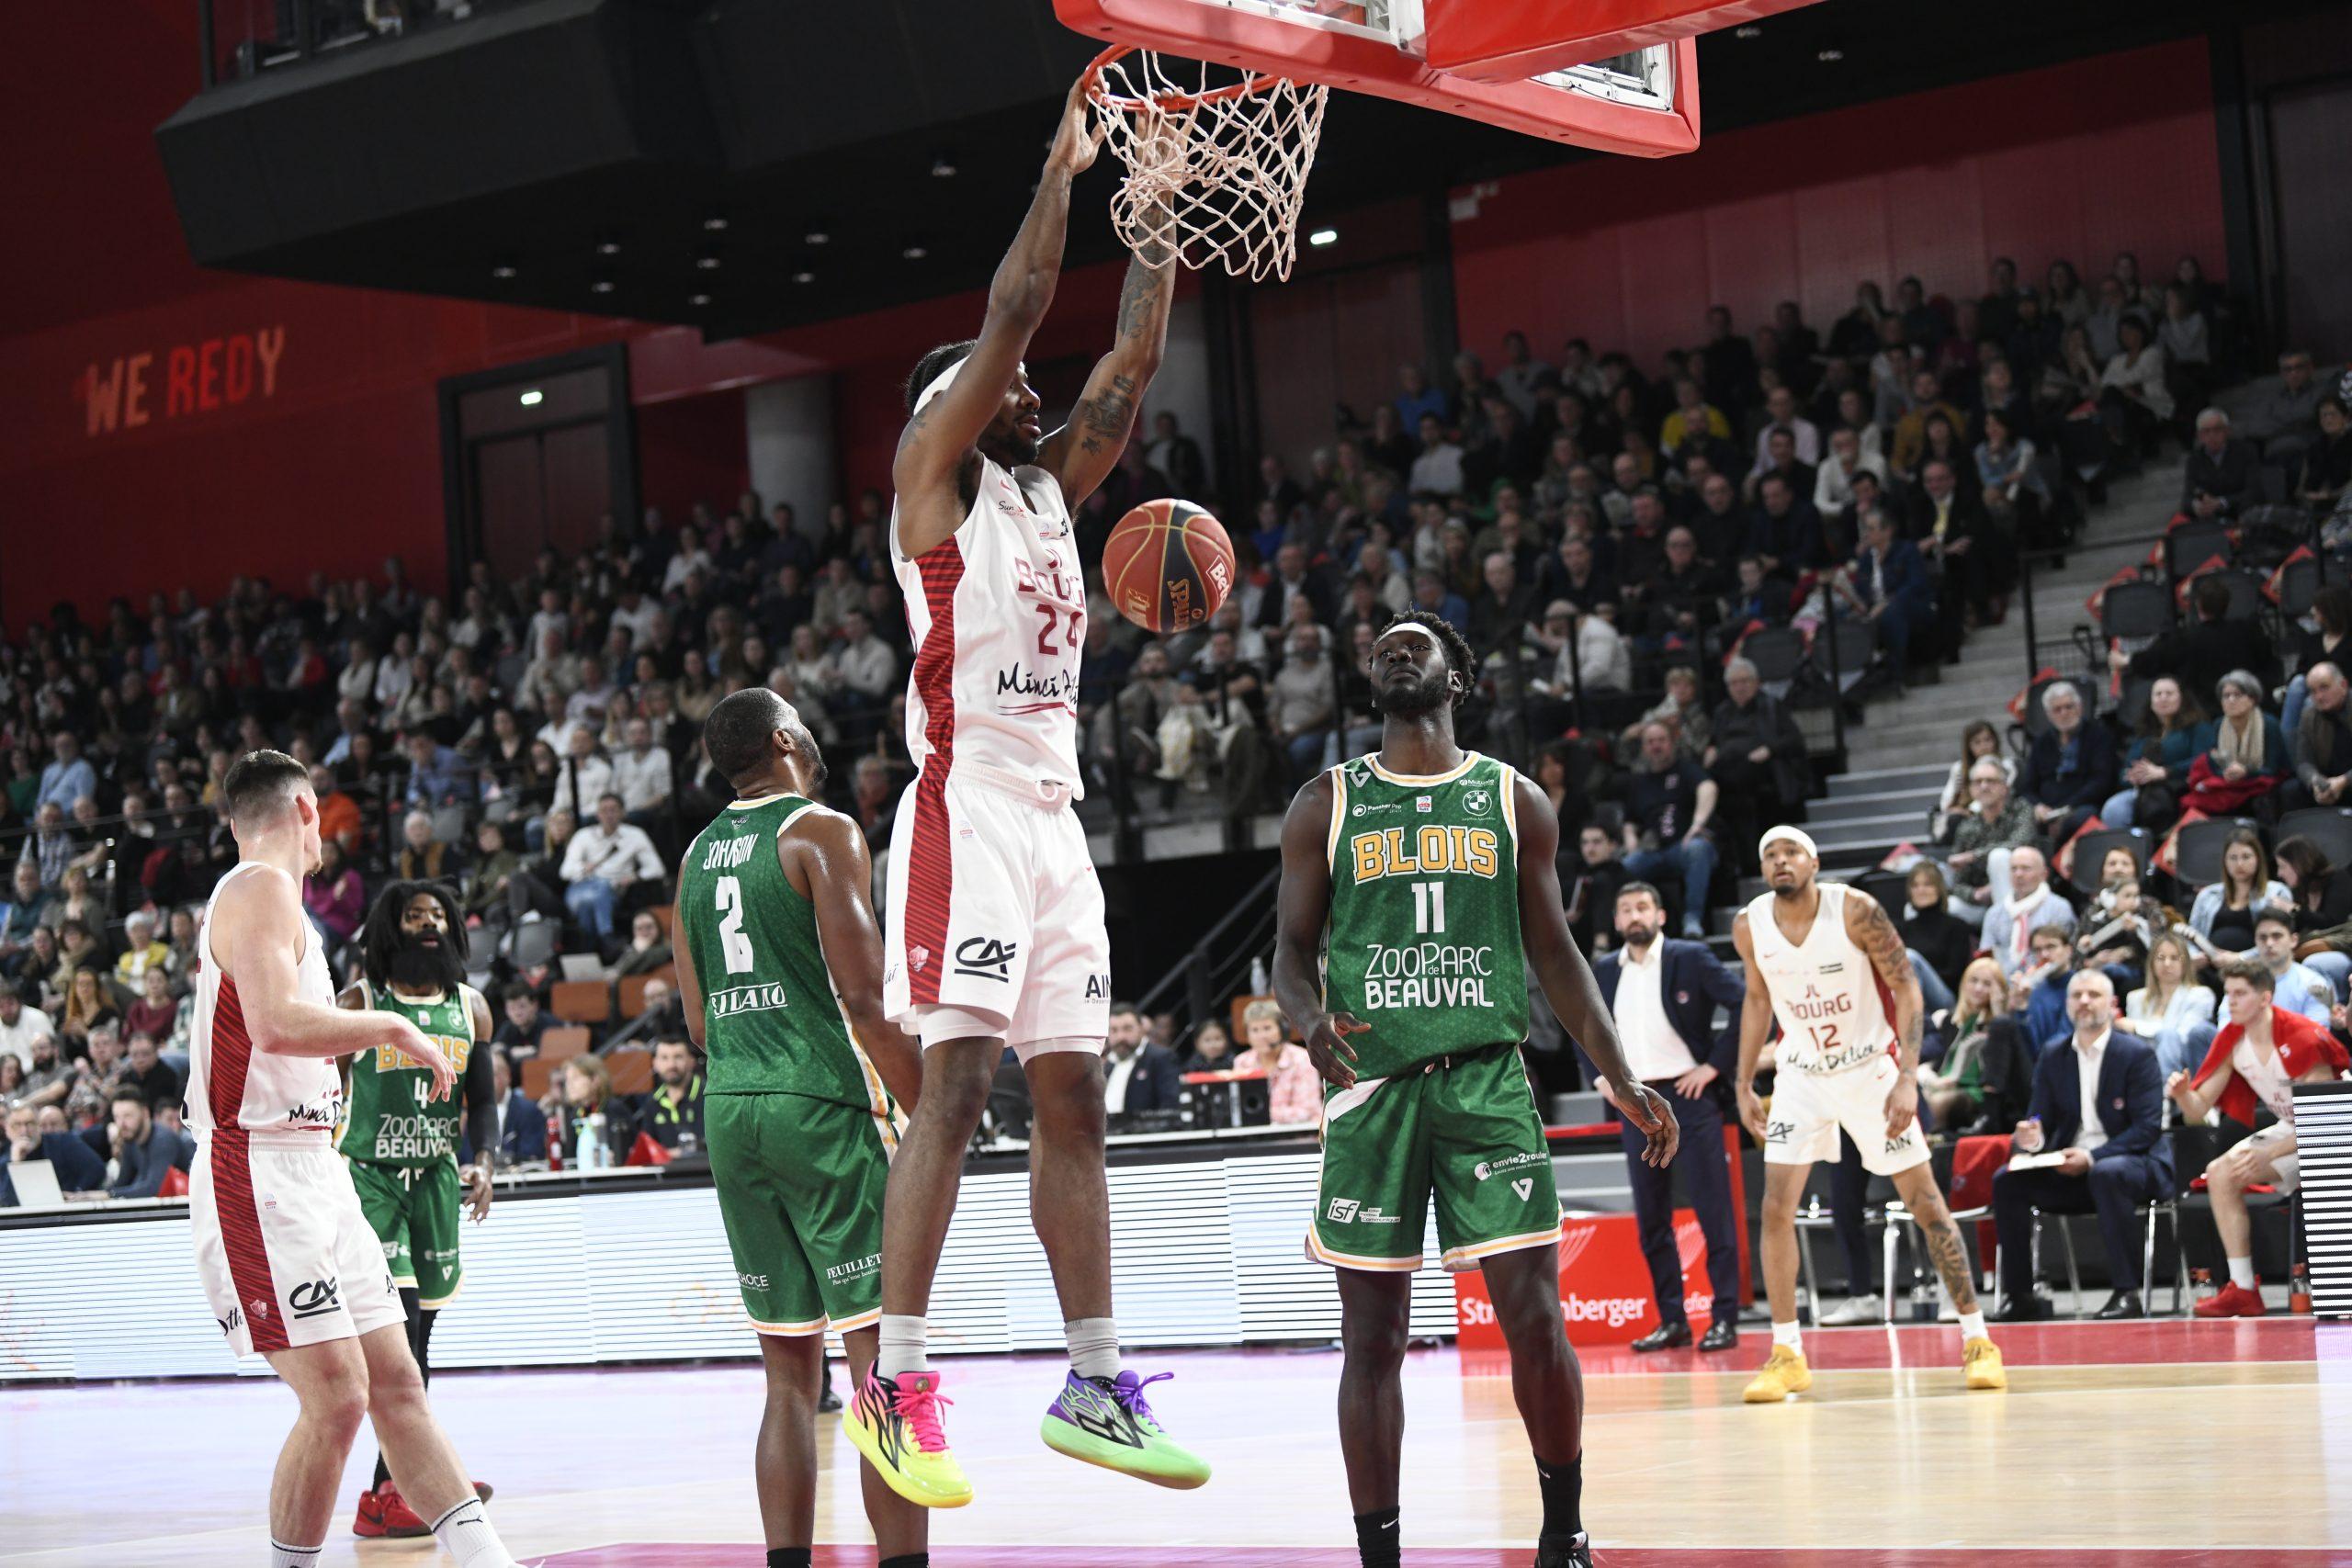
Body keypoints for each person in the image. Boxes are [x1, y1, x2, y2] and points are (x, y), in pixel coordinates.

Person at [864, 75, 1204, 1510]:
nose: (1029, 386)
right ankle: (894, 1373)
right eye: (1002, 382)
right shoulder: (928, 482)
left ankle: (1094, 1374)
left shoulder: (1052, 492)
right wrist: (1061, 176)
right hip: (965, 816)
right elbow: (1018, 309)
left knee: (1075, 1096)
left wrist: (1162, 213)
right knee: (958, 1083)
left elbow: (1128, 355)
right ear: (955, 404)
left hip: (1055, 828)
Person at [1272, 613, 1677, 1568]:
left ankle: (1563, 1529)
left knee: (1534, 1316)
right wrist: (1305, 1020)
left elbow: (1555, 953)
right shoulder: (1324, 803)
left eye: (1416, 642)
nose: (1394, 651)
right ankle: (1379, 1555)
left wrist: (1617, 1070)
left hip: (1486, 1079)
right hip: (1371, 1091)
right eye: (1381, 647)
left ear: (1458, 675)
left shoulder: (1512, 799)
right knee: (1370, 1340)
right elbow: (1289, 955)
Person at [185, 750, 516, 1568]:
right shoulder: (258, 886)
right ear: (307, 809)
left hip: (316, 1167)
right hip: (256, 1167)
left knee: (397, 1384)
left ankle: (487, 1558)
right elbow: (273, 1025)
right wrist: (393, 1028)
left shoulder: (274, 897)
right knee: (337, 1399)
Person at [671, 688, 929, 1565]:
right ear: (786, 740)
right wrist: (937, 1109)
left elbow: (699, 1027)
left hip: (729, 1110)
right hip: (818, 1106)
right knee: (878, 1364)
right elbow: (863, 998)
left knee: (787, 1379)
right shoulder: (821, 830)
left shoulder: (697, 855)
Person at [1733, 826, 2006, 1403]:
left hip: (1868, 1069)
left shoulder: (1855, 911)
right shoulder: (1749, 924)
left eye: (1791, 852)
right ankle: (1787, 1353)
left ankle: (1978, 1339)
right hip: (1802, 1075)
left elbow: (1908, 989)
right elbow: (1757, 999)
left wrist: (1907, 1076)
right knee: (1775, 1207)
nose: (1781, 862)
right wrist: (1741, 1082)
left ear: (1814, 860)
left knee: (1926, 1202)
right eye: (1770, 856)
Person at [334, 879, 500, 1537]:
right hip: (370, 1180)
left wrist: (484, 1162)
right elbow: (325, 1085)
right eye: (413, 915)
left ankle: (408, 1477)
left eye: (437, 914)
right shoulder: (361, 1001)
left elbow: (482, 1101)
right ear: (389, 928)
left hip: (434, 1178)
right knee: (399, 1336)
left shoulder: (472, 1007)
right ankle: (389, 1491)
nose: (428, 924)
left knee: (421, 1337)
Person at [1592, 883, 1745, 1355]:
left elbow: (1746, 1003)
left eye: (1642, 907)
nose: (1634, 916)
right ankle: (1673, 1320)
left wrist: (1714, 1065)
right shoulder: (1602, 970)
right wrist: (1600, 1079)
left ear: (1660, 914)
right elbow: (1579, 1022)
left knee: (1712, 1211)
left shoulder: (1690, 957)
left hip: (1687, 1093)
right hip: (1635, 1101)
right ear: (1616, 921)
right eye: (1625, 909)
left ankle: (1724, 1319)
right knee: (1651, 1220)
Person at [2169, 961, 2351, 1316]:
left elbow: (2325, 1119)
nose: (2230, 1002)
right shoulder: (2232, 1036)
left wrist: (2272, 1154)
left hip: (2336, 1131)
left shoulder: (2301, 1033)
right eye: (2228, 994)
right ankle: (2243, 1289)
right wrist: (2180, 1096)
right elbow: (2198, 1111)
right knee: (2220, 1173)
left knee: (2271, 1161)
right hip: (2294, 1126)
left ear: (2265, 997)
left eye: (2240, 994)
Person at [1991, 970, 2173, 1321]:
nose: (2085, 1002)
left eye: (2093, 995)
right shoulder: (2054, 1053)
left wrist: (2092, 1157)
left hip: (2135, 1165)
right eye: (2077, 995)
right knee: (2007, 1180)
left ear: (2112, 1004)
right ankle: (2021, 1296)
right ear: (2067, 1004)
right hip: (2073, 1168)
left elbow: (2147, 1129)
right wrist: (2033, 1138)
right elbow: (2039, 1116)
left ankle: (2127, 1292)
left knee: (2106, 1172)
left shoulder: (2137, 1054)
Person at [1618, 720, 1719, 940]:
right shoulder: (1639, 781)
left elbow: (1708, 787)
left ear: (1672, 742)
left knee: (1698, 849)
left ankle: (1692, 920)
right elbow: (1629, 820)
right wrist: (1631, 841)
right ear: (1644, 747)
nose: (1656, 746)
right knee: (1626, 866)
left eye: (1661, 740)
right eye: (1650, 742)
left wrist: (1698, 824)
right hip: (1653, 852)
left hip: (1682, 846)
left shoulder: (1687, 770)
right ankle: (1635, 928)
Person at [1918, 957, 2031, 1134]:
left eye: (1987, 984)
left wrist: (1998, 1007)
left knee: (1937, 1103)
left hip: (1976, 1093)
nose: (1979, 988)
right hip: (1943, 1085)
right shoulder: (1951, 1021)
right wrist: (1932, 1080)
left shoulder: (1999, 1024)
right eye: (1974, 981)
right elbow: (1936, 1061)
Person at [2126, 931, 2218, 1077]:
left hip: (2183, 1067)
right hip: (2142, 1066)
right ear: (2151, 963)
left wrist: (2137, 1027)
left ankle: (2164, 1096)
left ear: (2185, 963)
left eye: (2174, 958)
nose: (2167, 964)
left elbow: (2183, 1037)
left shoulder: (2201, 995)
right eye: (2160, 958)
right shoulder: (2135, 998)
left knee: (2169, 1036)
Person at [1982, 846, 2074, 981]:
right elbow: (1985, 957)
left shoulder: (2059, 908)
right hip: (2002, 983)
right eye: (2014, 869)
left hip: (2045, 981)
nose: (2019, 874)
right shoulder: (1994, 913)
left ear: (2044, 874)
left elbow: (2064, 957)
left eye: (2026, 868)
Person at [1236, 998, 1321, 1126]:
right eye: (1255, 1030)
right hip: (1257, 1136)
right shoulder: (1242, 1062)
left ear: (1282, 1030)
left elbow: (1306, 1111)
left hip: (1300, 1136)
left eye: (1267, 1028)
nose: (1261, 1036)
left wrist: (1261, 1114)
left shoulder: (1301, 1059)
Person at [104, 1085, 195, 1199]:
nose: (121, 1124)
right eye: (117, 1117)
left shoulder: (163, 1140)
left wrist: (107, 1195)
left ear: (145, 1113)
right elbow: (122, 1183)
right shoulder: (130, 1139)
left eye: (127, 1116)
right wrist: (96, 1194)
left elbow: (154, 1189)